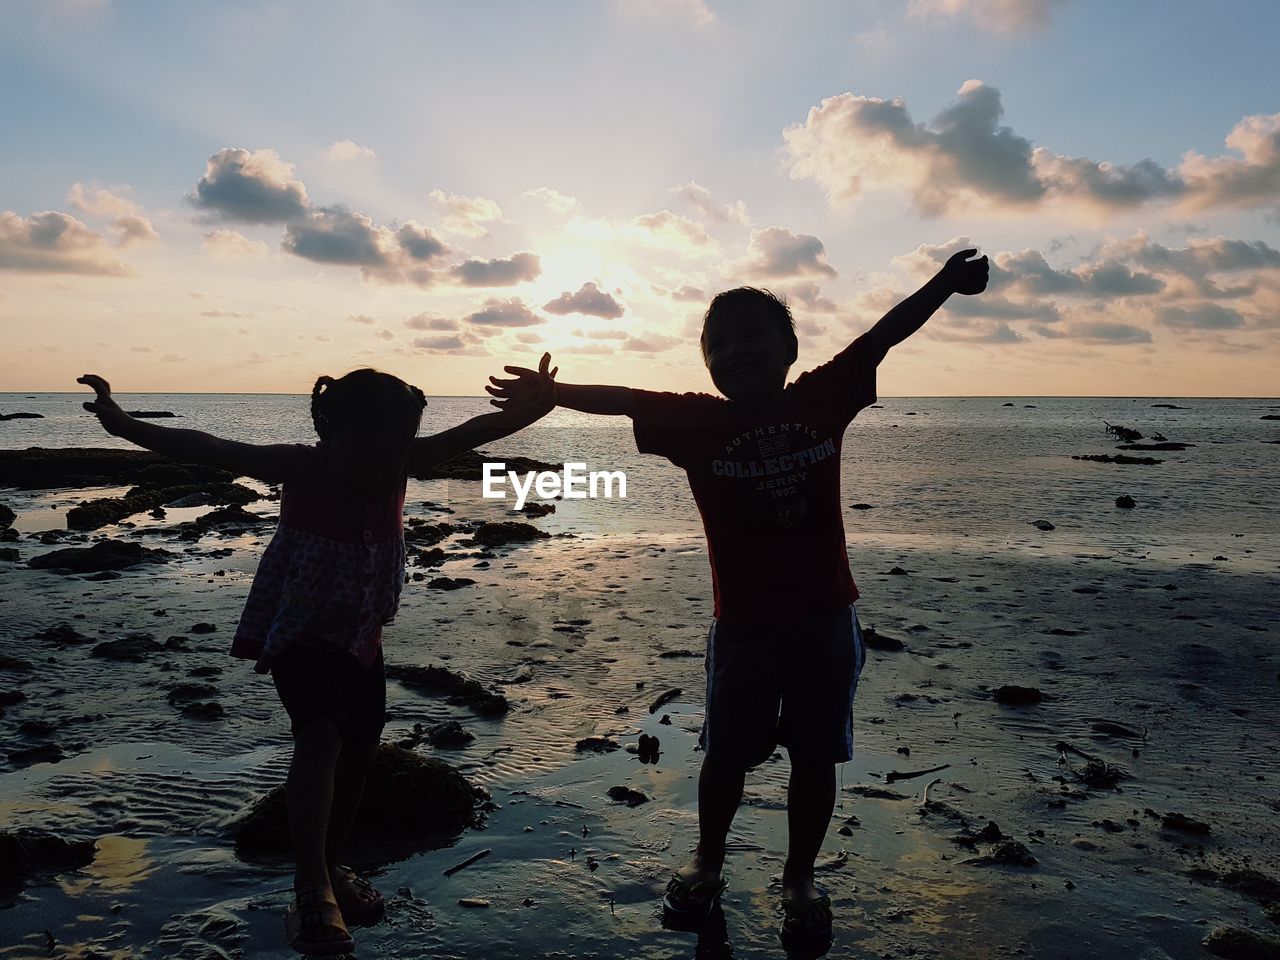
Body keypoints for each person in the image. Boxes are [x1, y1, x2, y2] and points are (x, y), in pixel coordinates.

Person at [489, 249, 988, 947]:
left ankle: (799, 876)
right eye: (718, 344)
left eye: (753, 335)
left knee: (817, 758)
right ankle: (708, 858)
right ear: (706, 364)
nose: (735, 350)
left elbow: (883, 333)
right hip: (745, 628)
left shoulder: (821, 397)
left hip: (825, 623)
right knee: (725, 754)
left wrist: (945, 283)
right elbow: (627, 399)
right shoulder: (696, 423)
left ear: (789, 350)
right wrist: (555, 395)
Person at [80, 356, 557, 955]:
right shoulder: (299, 465)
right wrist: (123, 425)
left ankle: (332, 870)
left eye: (397, 446)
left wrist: (540, 401)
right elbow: (206, 445)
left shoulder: (402, 462)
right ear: (329, 433)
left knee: (361, 752)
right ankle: (310, 890)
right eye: (369, 447)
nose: (384, 462)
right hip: (300, 632)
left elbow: (479, 431)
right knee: (322, 736)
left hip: (363, 636)